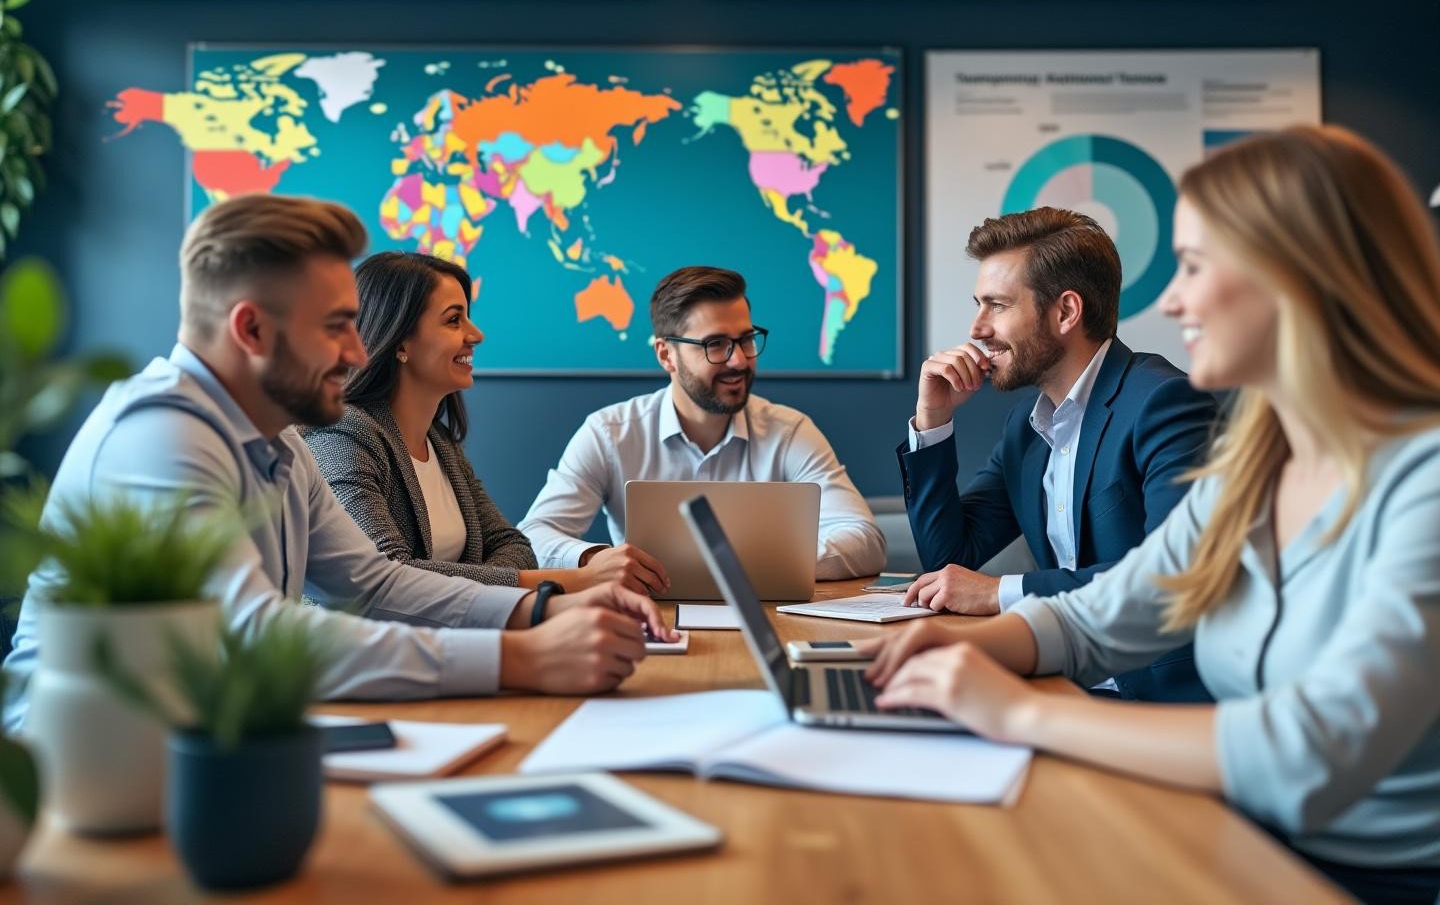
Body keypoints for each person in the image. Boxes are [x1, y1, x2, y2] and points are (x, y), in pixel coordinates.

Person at [865, 126, 1440, 905]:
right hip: (1238, 831)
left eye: (1194, 267)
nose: (1171, 301)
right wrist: (955, 650)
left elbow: (1311, 752)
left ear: (1299, 277)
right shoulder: (1258, 461)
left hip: (1366, 880)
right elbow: (1112, 611)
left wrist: (1018, 712)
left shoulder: (1424, 482)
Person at [4, 195, 675, 729]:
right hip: (76, 779)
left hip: (210, 739)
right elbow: (255, 632)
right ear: (251, 329)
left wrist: (538, 611)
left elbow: (375, 584)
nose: (358, 352)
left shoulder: (280, 441)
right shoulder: (162, 434)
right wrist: (519, 658)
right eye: (335, 327)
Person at [897, 207, 1216, 702]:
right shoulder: (1026, 427)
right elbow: (948, 559)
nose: (977, 328)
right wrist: (932, 419)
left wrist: (1000, 592)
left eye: (997, 305)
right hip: (1059, 685)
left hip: (1157, 702)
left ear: (1066, 312)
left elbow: (1172, 577)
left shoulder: (1163, 403)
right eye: (979, 305)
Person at [518, 266, 885, 585]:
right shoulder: (610, 433)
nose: (739, 360)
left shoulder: (789, 432)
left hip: (770, 619)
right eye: (716, 344)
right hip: (648, 621)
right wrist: (595, 559)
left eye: (745, 340)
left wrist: (749, 564)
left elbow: (865, 540)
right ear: (666, 355)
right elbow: (532, 537)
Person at [305, 252, 633, 593]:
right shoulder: (341, 435)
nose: (476, 335)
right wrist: (578, 579)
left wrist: (470, 588)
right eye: (453, 320)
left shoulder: (440, 442)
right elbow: (388, 577)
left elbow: (514, 546)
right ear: (400, 341)